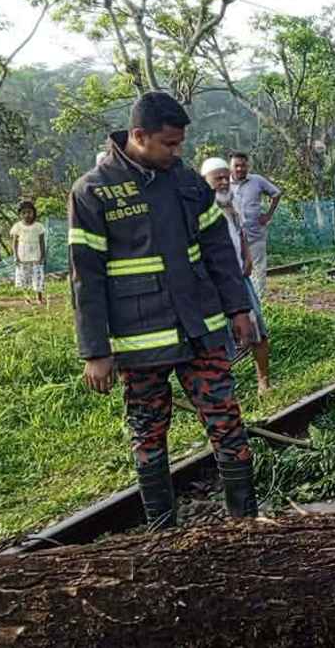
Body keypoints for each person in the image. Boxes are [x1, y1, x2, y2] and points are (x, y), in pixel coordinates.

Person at [68, 91, 258, 529]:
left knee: (227, 421)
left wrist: (239, 308)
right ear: (138, 136)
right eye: (169, 144)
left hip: (201, 330)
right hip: (141, 342)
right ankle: (162, 534)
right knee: (148, 434)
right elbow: (86, 277)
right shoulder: (94, 191)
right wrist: (95, 351)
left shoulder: (188, 182)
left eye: (180, 144)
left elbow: (218, 250)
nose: (177, 153)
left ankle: (245, 523)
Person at [201, 157, 273, 396]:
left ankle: (263, 382)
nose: (223, 182)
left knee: (256, 327)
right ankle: (225, 389)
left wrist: (248, 256)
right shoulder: (199, 209)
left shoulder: (231, 204)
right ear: (205, 182)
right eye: (218, 178)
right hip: (212, 283)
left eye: (225, 178)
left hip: (238, 278)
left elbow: (240, 232)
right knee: (220, 336)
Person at [228, 151, 283, 298]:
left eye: (243, 165)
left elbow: (276, 194)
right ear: (230, 167)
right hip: (233, 237)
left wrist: (268, 215)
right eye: (236, 166)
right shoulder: (224, 183)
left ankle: (259, 300)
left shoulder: (257, 180)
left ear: (248, 166)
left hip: (255, 234)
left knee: (258, 269)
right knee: (235, 268)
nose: (240, 169)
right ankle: (240, 300)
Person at [9, 201, 47, 306]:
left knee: (38, 278)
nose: (27, 215)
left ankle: (39, 298)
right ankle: (27, 298)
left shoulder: (39, 226)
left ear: (34, 213)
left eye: (29, 212)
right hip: (22, 256)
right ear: (20, 214)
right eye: (24, 213)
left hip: (36, 256)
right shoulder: (17, 227)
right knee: (24, 279)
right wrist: (16, 256)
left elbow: (42, 242)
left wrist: (43, 256)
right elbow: (14, 243)